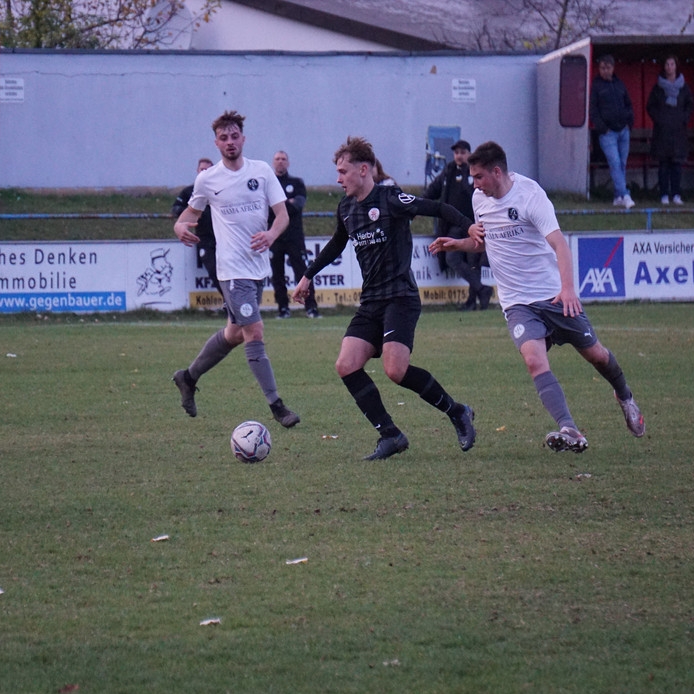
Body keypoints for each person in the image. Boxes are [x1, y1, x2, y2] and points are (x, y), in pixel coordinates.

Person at [429, 141, 644, 453]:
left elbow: (560, 245)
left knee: (596, 355)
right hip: (517, 303)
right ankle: (569, 429)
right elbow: (488, 242)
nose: (474, 184)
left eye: (478, 177)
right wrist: (459, 244)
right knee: (534, 360)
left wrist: (567, 289)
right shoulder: (479, 199)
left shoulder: (530, 195)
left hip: (552, 295)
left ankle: (624, 395)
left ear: (497, 172)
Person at [290, 136, 476, 461]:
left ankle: (457, 411)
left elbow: (437, 207)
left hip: (401, 298)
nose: (338, 179)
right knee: (346, 365)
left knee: (395, 370)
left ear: (364, 170)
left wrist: (468, 227)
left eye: (343, 171)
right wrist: (308, 275)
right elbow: (336, 244)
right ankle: (390, 435)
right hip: (371, 302)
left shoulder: (391, 199)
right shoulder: (346, 208)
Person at [171, 110, 299, 429]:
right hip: (231, 271)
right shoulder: (208, 179)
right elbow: (188, 215)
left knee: (234, 334)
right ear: (216, 143)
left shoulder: (262, 171)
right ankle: (277, 406)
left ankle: (188, 378)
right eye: (223, 138)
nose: (230, 142)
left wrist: (271, 235)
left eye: (234, 136)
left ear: (243, 138)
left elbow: (282, 215)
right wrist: (179, 227)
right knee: (254, 331)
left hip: (257, 269)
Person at [424, 139, 492, 311]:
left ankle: (472, 301)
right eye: (456, 153)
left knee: (473, 262)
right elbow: (433, 190)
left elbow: (482, 194)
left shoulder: (474, 173)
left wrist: (466, 182)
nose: (459, 156)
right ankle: (482, 289)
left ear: (469, 154)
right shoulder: (449, 171)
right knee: (451, 258)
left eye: (462, 152)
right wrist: (417, 204)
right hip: (455, 225)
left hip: (473, 224)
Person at [269, 150, 319, 319]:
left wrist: (277, 205)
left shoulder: (296, 183)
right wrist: (286, 203)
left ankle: (311, 307)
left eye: (283, 159)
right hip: (275, 236)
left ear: (288, 163)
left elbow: (297, 205)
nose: (280, 161)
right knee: (277, 274)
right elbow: (266, 209)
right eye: (277, 159)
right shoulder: (268, 183)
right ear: (273, 163)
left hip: (294, 236)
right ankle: (283, 308)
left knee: (303, 272)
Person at [646, 55, 694, 205]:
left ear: (676, 66)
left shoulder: (684, 87)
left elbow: (690, 104)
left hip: (678, 131)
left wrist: (683, 118)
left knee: (677, 165)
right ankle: (664, 195)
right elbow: (650, 106)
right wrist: (659, 119)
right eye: (667, 64)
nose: (669, 67)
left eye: (672, 64)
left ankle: (676, 194)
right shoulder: (658, 88)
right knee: (663, 165)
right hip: (662, 132)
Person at [589, 54, 635, 209]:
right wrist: (603, 128)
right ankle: (625, 195)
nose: (605, 71)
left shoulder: (619, 84)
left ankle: (617, 197)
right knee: (615, 163)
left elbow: (628, 104)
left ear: (613, 68)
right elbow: (593, 110)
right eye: (602, 68)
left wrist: (629, 122)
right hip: (608, 133)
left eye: (607, 68)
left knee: (622, 164)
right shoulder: (596, 86)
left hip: (623, 130)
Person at [172, 157, 220, 295]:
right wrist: (193, 213)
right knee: (213, 271)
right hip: (204, 239)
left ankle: (232, 303)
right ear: (197, 171)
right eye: (202, 169)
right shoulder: (190, 191)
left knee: (229, 274)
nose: (204, 172)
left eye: (208, 170)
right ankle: (229, 302)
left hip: (223, 237)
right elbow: (175, 209)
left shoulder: (221, 189)